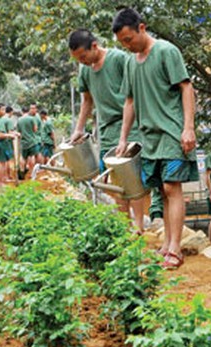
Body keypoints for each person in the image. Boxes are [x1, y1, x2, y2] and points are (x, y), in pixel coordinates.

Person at [113, 8, 199, 267]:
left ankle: (175, 247)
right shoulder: (130, 62)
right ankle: (166, 244)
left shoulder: (166, 51)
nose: (127, 46)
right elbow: (129, 101)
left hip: (173, 133)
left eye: (129, 39)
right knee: (160, 189)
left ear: (142, 27)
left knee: (172, 186)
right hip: (149, 137)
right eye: (122, 43)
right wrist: (123, 138)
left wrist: (189, 127)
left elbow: (186, 88)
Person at [68, 28, 146, 234]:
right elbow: (87, 101)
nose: (82, 62)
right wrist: (79, 129)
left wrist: (127, 132)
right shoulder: (85, 70)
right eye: (78, 59)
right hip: (106, 129)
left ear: (94, 46)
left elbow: (134, 93)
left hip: (130, 123)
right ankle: (125, 226)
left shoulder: (119, 59)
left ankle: (139, 225)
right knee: (116, 180)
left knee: (132, 177)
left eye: (84, 56)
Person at [0, 104, 19, 186]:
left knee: (1, 164)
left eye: (4, 110)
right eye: (2, 109)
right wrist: (10, 135)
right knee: (1, 164)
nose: (4, 111)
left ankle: (2, 181)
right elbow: (0, 135)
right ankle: (0, 182)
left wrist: (14, 134)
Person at [17, 104, 41, 179]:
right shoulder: (31, 119)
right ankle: (31, 173)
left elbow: (19, 131)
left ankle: (21, 170)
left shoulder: (19, 120)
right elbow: (35, 129)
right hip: (32, 141)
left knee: (23, 157)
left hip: (24, 142)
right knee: (32, 156)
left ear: (22, 111)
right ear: (28, 111)